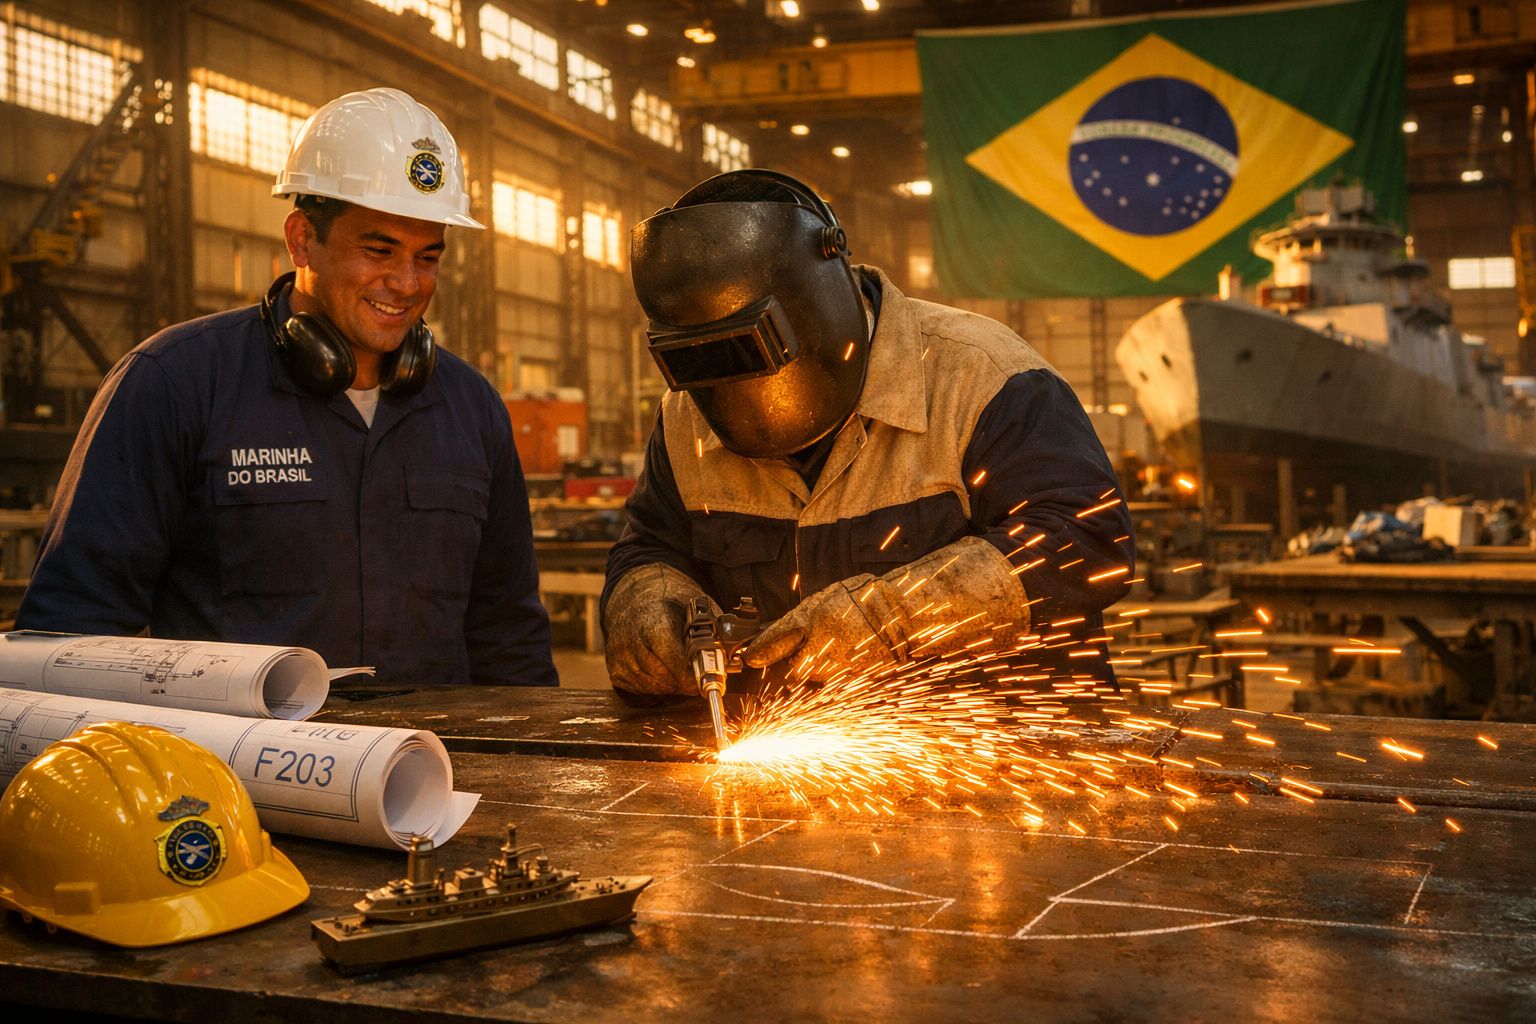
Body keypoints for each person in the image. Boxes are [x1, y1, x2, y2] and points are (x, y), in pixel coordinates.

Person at [17, 88, 556, 687]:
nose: (405, 283)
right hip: (229, 777)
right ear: (301, 238)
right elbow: (73, 632)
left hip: (439, 773)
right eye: (378, 249)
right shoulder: (175, 382)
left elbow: (509, 635)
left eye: (427, 257)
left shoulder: (471, 408)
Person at [602, 169, 1133, 703]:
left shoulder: (982, 375)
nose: (735, 386)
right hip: (796, 756)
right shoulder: (684, 417)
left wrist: (891, 616)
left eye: (748, 350)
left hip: (1010, 746)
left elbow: (1084, 542)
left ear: (823, 298)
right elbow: (650, 546)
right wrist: (647, 604)